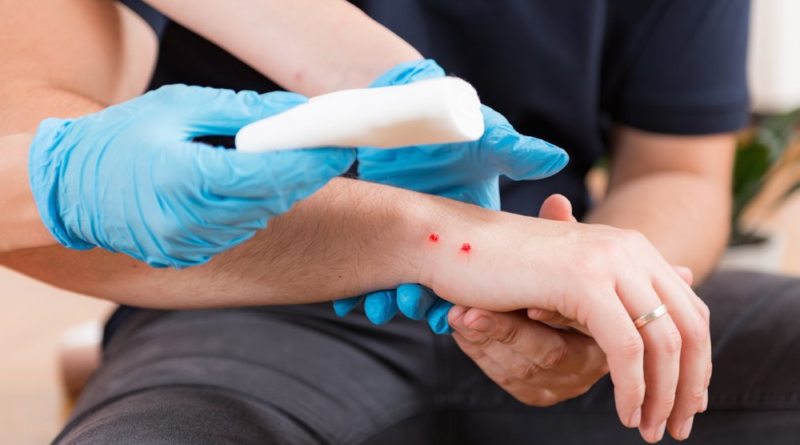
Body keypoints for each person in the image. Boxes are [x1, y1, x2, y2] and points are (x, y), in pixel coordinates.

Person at [0, 0, 796, 444]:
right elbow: (24, 172)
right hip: (249, 309)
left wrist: (604, 294)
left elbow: (678, 168)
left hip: (555, 269)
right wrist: (426, 241)